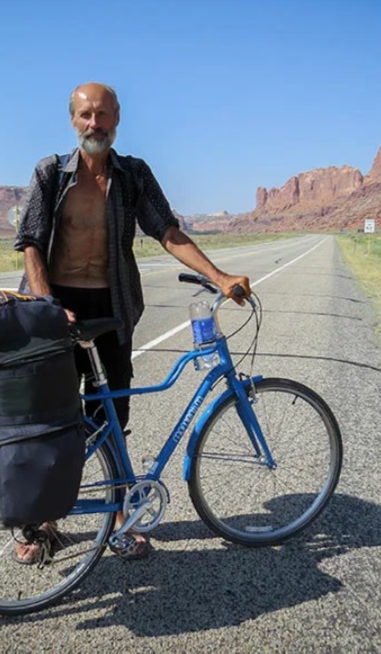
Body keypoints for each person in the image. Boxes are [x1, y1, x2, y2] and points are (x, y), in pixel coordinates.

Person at [12, 82, 250, 561]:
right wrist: (47, 305)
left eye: (102, 114)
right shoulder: (50, 173)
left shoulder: (133, 174)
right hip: (54, 309)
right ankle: (41, 521)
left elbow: (166, 229)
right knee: (49, 418)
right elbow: (30, 241)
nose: (94, 124)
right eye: (85, 115)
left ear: (117, 117)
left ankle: (118, 514)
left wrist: (220, 276)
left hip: (112, 307)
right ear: (72, 120)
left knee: (111, 417)